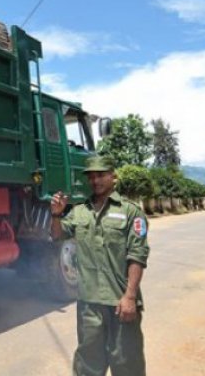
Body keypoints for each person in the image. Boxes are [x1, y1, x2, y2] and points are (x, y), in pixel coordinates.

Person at [50, 155, 149, 376]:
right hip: (89, 304)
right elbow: (57, 235)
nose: (96, 181)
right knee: (87, 365)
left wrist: (130, 296)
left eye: (101, 175)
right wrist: (56, 214)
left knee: (126, 364)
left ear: (113, 176)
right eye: (91, 177)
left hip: (120, 303)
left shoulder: (130, 212)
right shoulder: (79, 211)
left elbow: (137, 255)